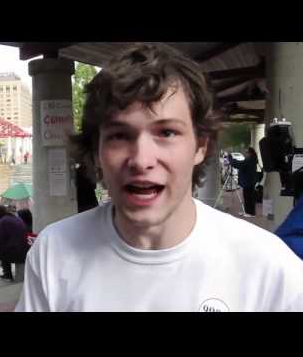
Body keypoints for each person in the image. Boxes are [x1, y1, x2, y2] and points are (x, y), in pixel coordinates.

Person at [15, 43, 303, 312]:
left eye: (167, 133)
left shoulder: (270, 267)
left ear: (201, 146)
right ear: (95, 150)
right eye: (119, 136)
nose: (141, 160)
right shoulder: (53, 252)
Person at [229, 147, 258, 218]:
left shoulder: (249, 160)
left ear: (250, 153)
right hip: (250, 181)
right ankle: (247, 211)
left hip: (248, 181)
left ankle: (250, 213)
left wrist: (231, 159)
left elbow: (239, 164)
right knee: (248, 196)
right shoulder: (252, 159)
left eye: (246, 152)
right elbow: (241, 164)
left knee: (248, 197)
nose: (245, 154)